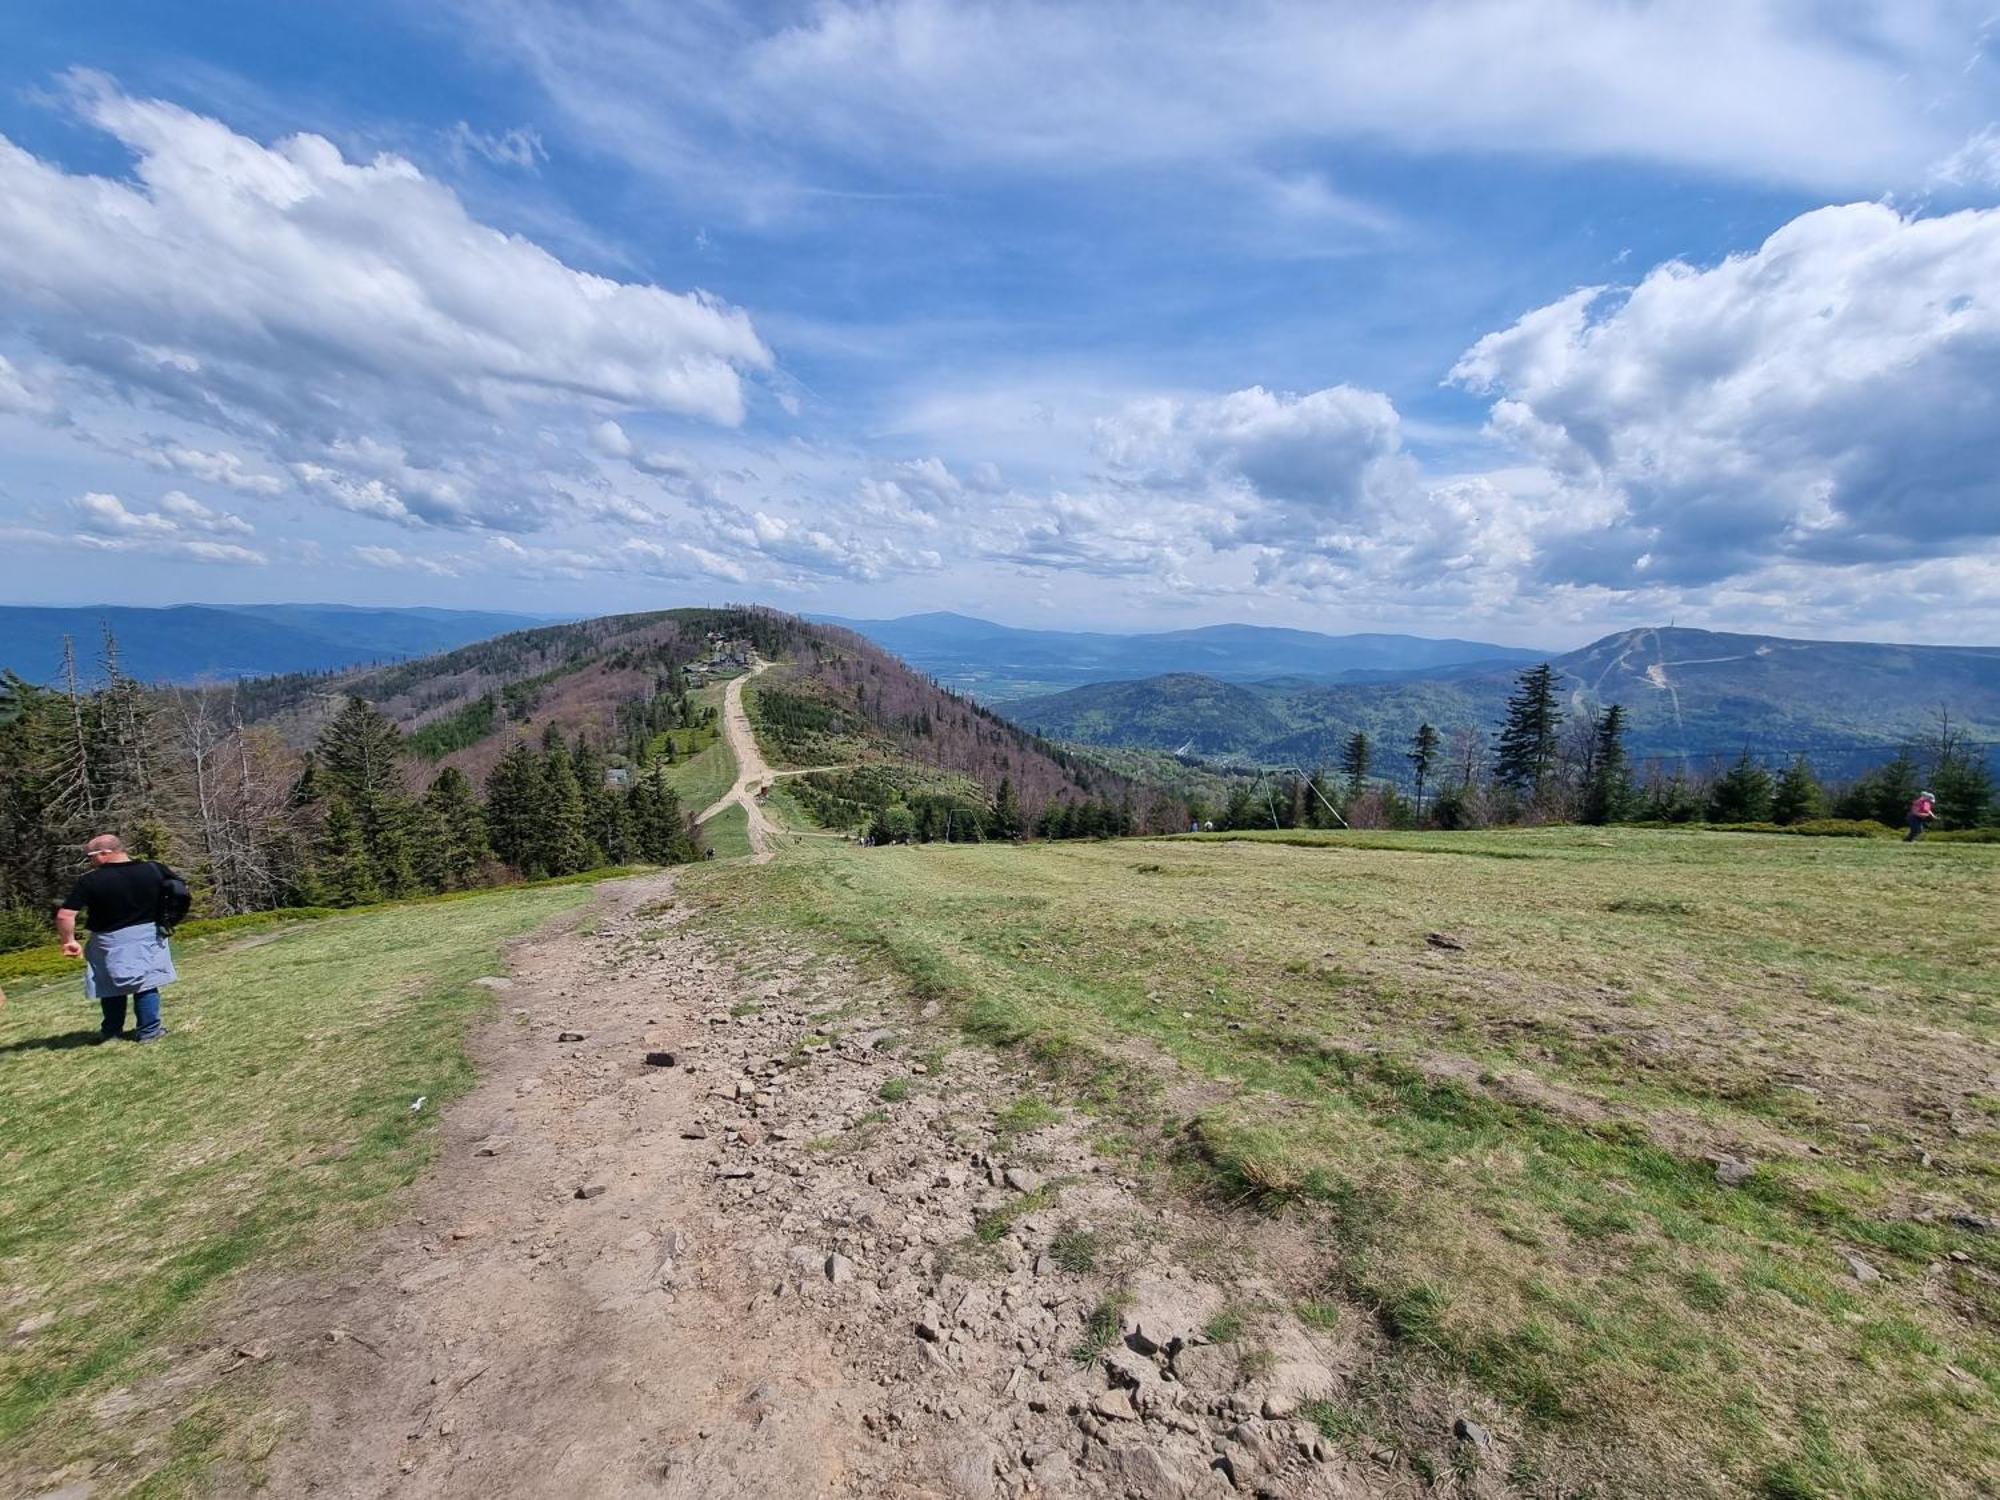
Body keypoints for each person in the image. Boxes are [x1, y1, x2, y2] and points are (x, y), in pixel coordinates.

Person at [54, 834, 179, 1042]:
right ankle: (149, 1031)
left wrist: (69, 940)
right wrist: (171, 920)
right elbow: (180, 893)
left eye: (90, 856)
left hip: (107, 940)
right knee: (146, 984)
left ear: (105, 853)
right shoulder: (154, 869)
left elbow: (64, 915)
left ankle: (112, 1032)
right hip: (148, 934)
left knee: (109, 985)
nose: (89, 861)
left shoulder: (90, 880)